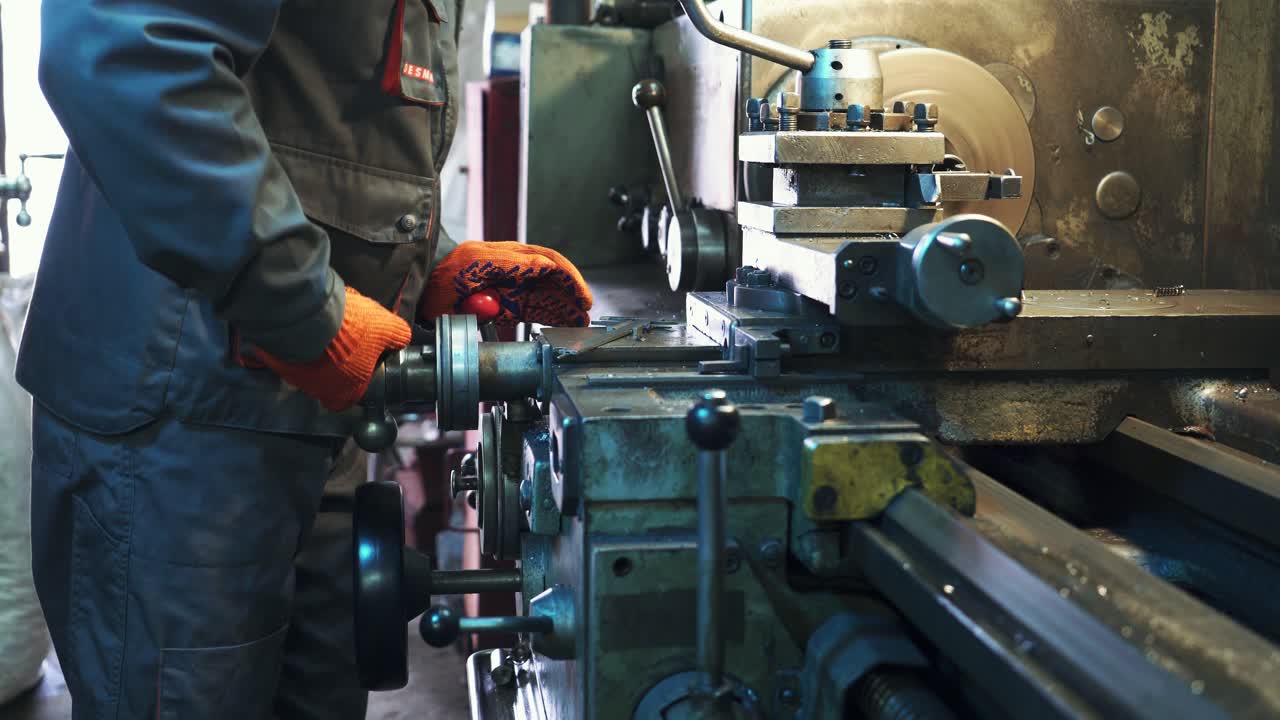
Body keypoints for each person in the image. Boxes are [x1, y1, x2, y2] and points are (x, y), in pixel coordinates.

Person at [16, 2, 592, 718]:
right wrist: (306, 310)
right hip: (179, 413)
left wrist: (427, 270)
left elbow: (308, 132)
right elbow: (126, 50)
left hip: (308, 408)